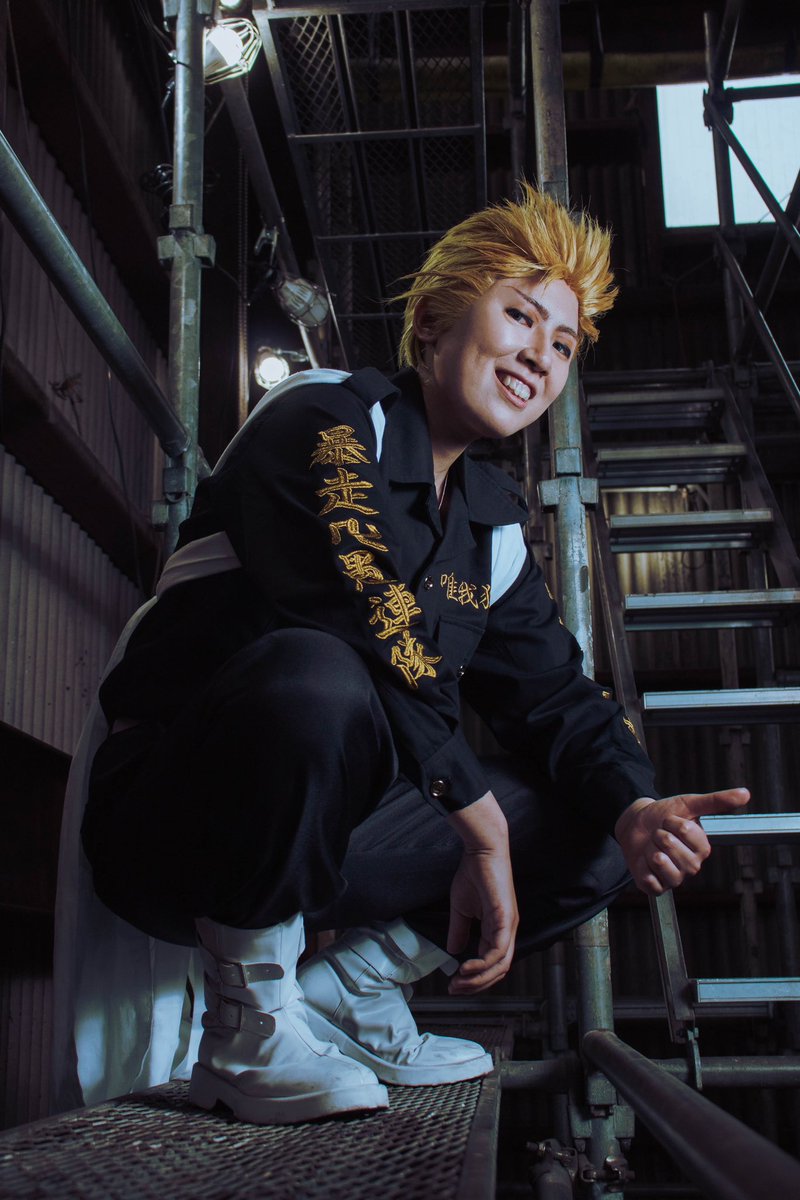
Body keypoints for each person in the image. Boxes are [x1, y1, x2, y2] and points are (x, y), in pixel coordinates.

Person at [79, 184, 749, 1126]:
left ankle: (349, 989)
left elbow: (557, 699)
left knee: (602, 816)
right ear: (433, 321)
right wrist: (480, 827)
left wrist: (639, 807)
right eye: (520, 317)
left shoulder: (490, 533)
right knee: (319, 674)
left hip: (327, 845)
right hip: (177, 824)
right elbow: (362, 617)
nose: (540, 357)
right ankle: (247, 1029)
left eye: (564, 345)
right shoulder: (322, 419)